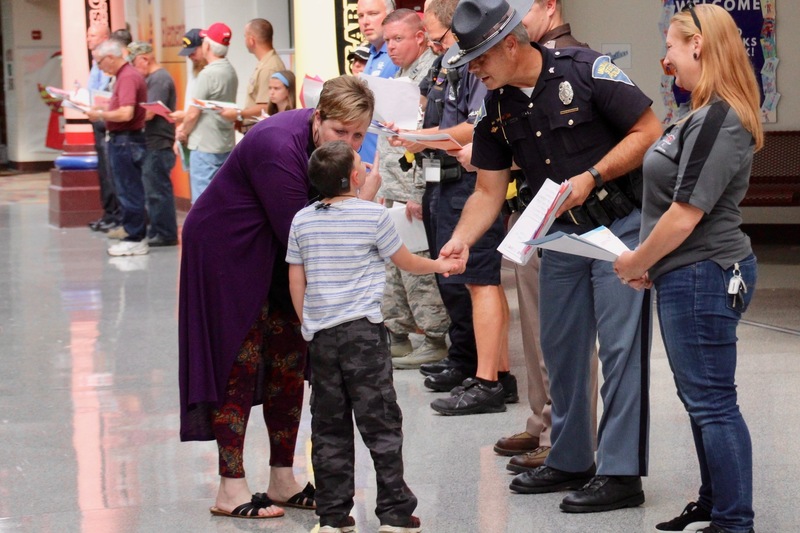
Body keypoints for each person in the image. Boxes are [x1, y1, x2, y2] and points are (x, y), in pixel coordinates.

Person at [442, 0, 662, 512]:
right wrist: (462, 239)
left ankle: (622, 473)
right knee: (560, 350)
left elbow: (648, 131)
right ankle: (569, 458)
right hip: (559, 237)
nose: (475, 69)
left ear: (511, 44)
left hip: (618, 230)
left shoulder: (585, 71)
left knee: (620, 352)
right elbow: (488, 192)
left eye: (479, 58)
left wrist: (594, 176)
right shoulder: (496, 107)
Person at [178, 76, 379, 520]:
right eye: (339, 132)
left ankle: (282, 479)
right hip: (226, 249)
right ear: (318, 118)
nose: (348, 144)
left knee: (289, 359)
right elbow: (306, 237)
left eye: (358, 135)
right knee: (239, 360)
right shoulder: (277, 146)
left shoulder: (326, 146)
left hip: (275, 253)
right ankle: (230, 488)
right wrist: (363, 197)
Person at [614, 5, 762, 532]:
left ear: (698, 45)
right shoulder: (699, 114)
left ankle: (733, 521)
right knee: (701, 398)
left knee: (713, 402)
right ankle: (714, 502)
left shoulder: (722, 116)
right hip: (687, 271)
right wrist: (654, 263)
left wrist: (636, 259)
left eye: (672, 47)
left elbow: (685, 214)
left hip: (705, 272)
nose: (667, 59)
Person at [287, 141, 458, 533]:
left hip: (322, 337)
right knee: (380, 422)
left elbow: (297, 277)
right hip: (363, 335)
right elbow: (406, 261)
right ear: (354, 177)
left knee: (328, 427)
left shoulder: (302, 220)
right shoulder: (373, 217)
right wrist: (439, 264)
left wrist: (306, 322)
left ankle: (332, 516)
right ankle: (395, 513)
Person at [494, 0, 599, 476]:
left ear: (549, 7)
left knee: (567, 335)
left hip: (572, 221)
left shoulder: (577, 62)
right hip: (532, 214)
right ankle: (541, 420)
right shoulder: (516, 71)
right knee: (536, 328)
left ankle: (567, 432)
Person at [406, 0, 515, 416]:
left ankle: (490, 379)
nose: (438, 47)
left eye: (438, 38)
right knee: (466, 281)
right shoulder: (447, 64)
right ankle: (488, 372)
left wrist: (427, 138)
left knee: (481, 279)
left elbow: (475, 125)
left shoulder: (477, 65)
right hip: (444, 180)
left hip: (472, 180)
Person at [374, 8, 449, 370]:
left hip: (413, 192)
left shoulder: (431, 77)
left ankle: (434, 338)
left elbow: (430, 143)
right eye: (387, 40)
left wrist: (421, 193)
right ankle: (400, 335)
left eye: (398, 39)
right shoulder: (400, 76)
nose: (390, 47)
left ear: (420, 37)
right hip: (393, 188)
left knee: (418, 271)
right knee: (394, 271)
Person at [85, 39, 150, 257]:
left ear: (111, 58)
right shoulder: (123, 76)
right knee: (126, 189)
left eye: (100, 62)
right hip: (123, 140)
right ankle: (132, 232)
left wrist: (101, 114)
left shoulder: (128, 77)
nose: (100, 67)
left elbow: (126, 113)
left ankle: (135, 238)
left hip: (126, 141)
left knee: (129, 190)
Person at [175, 22, 238, 202]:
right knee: (222, 199)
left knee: (202, 201)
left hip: (204, 146)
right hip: (224, 142)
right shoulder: (230, 71)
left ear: (207, 45)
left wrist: (183, 131)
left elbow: (194, 113)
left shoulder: (207, 74)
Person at [128, 42, 179, 247]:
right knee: (152, 189)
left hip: (158, 142)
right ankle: (158, 229)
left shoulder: (159, 79)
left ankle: (165, 232)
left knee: (158, 190)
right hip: (153, 142)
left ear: (144, 59)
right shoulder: (152, 78)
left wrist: (129, 114)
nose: (133, 69)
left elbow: (149, 112)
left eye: (134, 63)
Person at [218, 18, 286, 131]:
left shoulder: (268, 67)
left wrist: (238, 114)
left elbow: (265, 106)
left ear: (251, 40)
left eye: (245, 36)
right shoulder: (265, 63)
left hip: (260, 131)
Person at [85, 23, 120, 233]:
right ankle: (108, 214)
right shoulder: (96, 61)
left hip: (107, 121)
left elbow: (106, 94)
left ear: (106, 37)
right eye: (88, 35)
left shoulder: (108, 63)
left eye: (93, 35)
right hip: (98, 120)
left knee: (111, 172)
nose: (89, 39)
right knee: (104, 172)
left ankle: (116, 216)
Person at [356, 0, 399, 169]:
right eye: (360, 16)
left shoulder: (396, 55)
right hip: (367, 163)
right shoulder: (372, 53)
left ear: (390, 16)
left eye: (373, 14)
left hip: (387, 166)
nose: (365, 21)